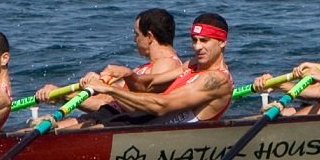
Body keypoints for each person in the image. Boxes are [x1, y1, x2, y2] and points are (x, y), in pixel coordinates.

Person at [43, 8, 184, 127]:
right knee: (32, 131)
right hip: (108, 115)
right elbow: (106, 100)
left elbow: (141, 106)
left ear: (149, 36)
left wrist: (66, 95)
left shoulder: (167, 64)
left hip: (120, 123)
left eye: (137, 34)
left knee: (45, 134)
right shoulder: (145, 68)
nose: (135, 40)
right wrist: (62, 94)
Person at [84, 13, 235, 124]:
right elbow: (148, 85)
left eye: (204, 41)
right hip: (146, 124)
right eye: (194, 40)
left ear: (222, 43)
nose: (197, 47)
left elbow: (162, 105)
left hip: (164, 138)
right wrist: (127, 74)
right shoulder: (193, 64)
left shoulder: (217, 80)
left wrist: (109, 89)